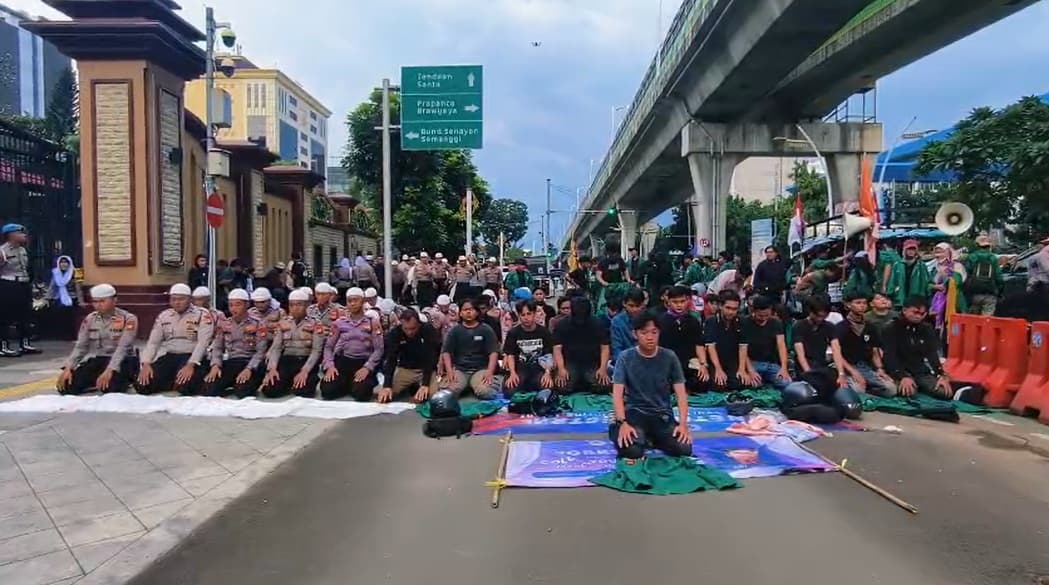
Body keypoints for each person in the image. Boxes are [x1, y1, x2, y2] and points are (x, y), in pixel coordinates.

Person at [609, 313, 693, 460]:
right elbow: (617, 394)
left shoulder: (670, 357)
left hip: (662, 415)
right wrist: (622, 423)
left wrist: (683, 424)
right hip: (634, 414)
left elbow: (681, 394)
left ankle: (653, 438)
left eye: (654, 332)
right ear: (635, 334)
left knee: (684, 449)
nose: (649, 337)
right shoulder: (625, 357)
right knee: (632, 451)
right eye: (644, 333)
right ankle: (617, 429)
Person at [57, 284, 138, 395]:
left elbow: (122, 348)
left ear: (114, 300)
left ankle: (125, 380)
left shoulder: (128, 319)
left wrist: (110, 370)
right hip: (100, 359)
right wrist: (69, 368)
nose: (98, 305)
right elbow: (81, 346)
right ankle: (95, 382)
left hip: (122, 360)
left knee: (110, 388)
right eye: (95, 301)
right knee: (66, 387)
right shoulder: (90, 319)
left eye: (102, 301)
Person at [135, 284, 215, 395]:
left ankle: (174, 382)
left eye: (181, 299)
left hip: (193, 357)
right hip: (170, 356)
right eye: (174, 299)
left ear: (190, 299)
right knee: (142, 385)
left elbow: (203, 343)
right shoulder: (164, 316)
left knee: (186, 386)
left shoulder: (202, 314)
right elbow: (153, 342)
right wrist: (146, 364)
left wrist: (190, 365)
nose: (177, 302)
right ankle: (172, 381)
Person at [202, 288, 269, 399]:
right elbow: (218, 348)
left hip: (251, 362)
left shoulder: (258, 324)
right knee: (208, 388)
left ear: (247, 305)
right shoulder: (225, 324)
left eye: (238, 305)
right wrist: (215, 365)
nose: (234, 308)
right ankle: (232, 382)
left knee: (243, 392)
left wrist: (249, 369)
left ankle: (240, 384)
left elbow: (261, 352)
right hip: (231, 361)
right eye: (231, 305)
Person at [881, 295, 952, 398]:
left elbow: (931, 354)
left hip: (919, 370)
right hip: (898, 370)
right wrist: (902, 376)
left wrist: (940, 375)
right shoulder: (891, 328)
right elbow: (889, 356)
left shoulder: (927, 329)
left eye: (922, 314)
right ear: (905, 310)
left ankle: (920, 385)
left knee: (944, 393)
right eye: (915, 312)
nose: (918, 316)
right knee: (909, 392)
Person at [320, 287, 384, 401]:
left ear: (363, 301)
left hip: (363, 361)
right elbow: (328, 347)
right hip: (344, 361)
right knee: (327, 391)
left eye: (356, 300)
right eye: (350, 301)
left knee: (361, 393)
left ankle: (354, 384)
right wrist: (330, 366)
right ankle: (347, 384)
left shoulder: (372, 322)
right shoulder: (339, 323)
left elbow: (379, 349)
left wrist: (367, 368)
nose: (353, 304)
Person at [261, 289, 326, 399]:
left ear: (307, 305)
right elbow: (276, 348)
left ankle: (301, 380)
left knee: (303, 392)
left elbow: (316, 351)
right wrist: (271, 369)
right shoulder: (283, 322)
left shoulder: (316, 323)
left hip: (305, 360)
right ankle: (287, 382)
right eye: (291, 305)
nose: (295, 308)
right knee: (269, 391)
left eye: (299, 305)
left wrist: (305, 371)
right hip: (287, 360)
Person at [836, 291, 897, 397]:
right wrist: (853, 372)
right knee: (858, 391)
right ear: (848, 305)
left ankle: (868, 387)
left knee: (891, 389)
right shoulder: (841, 327)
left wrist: (879, 369)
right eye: (858, 303)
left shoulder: (870, 326)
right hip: (847, 367)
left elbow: (875, 350)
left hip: (865, 366)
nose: (862, 306)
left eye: (864, 303)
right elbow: (837, 354)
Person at [439, 298, 502, 399]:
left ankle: (473, 385)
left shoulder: (486, 329)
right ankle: (465, 386)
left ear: (477, 312)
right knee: (446, 393)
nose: (468, 312)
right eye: (465, 310)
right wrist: (450, 371)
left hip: (481, 369)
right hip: (460, 369)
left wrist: (490, 372)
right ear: (460, 313)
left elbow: (493, 352)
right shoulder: (455, 330)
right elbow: (446, 352)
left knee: (486, 392)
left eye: (472, 309)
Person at [378, 308, 440, 403]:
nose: (409, 332)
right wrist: (387, 385)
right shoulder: (395, 333)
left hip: (426, 369)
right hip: (406, 370)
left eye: (413, 328)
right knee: (382, 394)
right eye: (406, 329)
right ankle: (411, 387)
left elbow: (430, 357)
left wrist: (425, 384)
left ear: (418, 324)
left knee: (434, 396)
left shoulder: (428, 330)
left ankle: (417, 387)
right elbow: (391, 359)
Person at [552, 296, 611, 394]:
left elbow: (605, 347)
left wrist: (603, 368)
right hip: (570, 362)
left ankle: (583, 382)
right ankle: (579, 382)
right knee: (562, 387)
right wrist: (561, 369)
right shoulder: (562, 324)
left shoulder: (597, 324)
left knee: (603, 386)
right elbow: (557, 348)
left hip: (592, 362)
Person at [657, 285, 709, 393]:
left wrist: (703, 365)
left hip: (689, 362)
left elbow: (699, 344)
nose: (679, 305)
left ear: (688, 301)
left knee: (703, 382)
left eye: (682, 301)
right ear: (668, 302)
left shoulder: (693, 321)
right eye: (675, 302)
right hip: (667, 363)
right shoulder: (660, 321)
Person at [791, 295, 847, 387]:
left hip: (822, 365)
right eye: (818, 316)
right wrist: (808, 374)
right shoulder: (799, 326)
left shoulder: (829, 326)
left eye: (824, 316)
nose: (820, 319)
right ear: (810, 312)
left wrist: (841, 374)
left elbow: (836, 349)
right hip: (804, 367)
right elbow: (800, 355)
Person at [0, 223, 38, 357]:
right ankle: (4, 346)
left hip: (23, 284)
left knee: (25, 315)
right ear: (11, 235)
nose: (24, 235)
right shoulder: (2, 251)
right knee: (6, 316)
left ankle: (25, 343)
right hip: (9, 284)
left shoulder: (23, 250)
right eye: (20, 233)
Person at [503, 300, 555, 394]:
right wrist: (512, 373)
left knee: (548, 389)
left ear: (534, 314)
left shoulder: (544, 332)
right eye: (523, 315)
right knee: (509, 391)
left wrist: (548, 373)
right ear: (519, 316)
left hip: (539, 368)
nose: (526, 318)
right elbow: (510, 355)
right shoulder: (513, 333)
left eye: (529, 314)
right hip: (520, 368)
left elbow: (548, 354)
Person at [740, 295, 791, 389]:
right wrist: (750, 370)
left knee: (786, 383)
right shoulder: (744, 323)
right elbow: (742, 349)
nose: (763, 318)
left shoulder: (776, 323)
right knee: (751, 384)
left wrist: (784, 368)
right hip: (752, 363)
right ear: (753, 311)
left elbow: (781, 345)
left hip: (771, 364)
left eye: (767, 315)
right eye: (760, 316)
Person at [704, 291, 746, 391]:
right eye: (728, 308)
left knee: (740, 383)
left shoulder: (742, 321)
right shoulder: (711, 321)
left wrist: (742, 369)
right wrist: (718, 369)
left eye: (734, 309)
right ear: (721, 306)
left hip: (732, 361)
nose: (731, 312)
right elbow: (711, 346)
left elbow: (743, 346)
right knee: (718, 385)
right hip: (715, 361)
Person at [930, 242, 967, 334]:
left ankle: (954, 343)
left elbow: (959, 282)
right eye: (937, 252)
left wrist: (947, 276)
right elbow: (927, 284)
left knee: (954, 327)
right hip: (937, 304)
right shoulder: (933, 267)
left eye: (942, 252)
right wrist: (935, 286)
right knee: (938, 328)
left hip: (955, 302)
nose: (939, 255)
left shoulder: (957, 266)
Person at [963, 235, 1003, 316]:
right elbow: (999, 278)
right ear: (989, 245)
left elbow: (965, 275)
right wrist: (999, 292)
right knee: (987, 321)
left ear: (977, 245)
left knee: (973, 320)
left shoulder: (971, 257)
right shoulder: (993, 258)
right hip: (990, 294)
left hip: (974, 294)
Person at [47, 255, 84, 340]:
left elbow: (79, 289)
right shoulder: (55, 272)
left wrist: (81, 301)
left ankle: (70, 335)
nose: (63, 264)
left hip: (72, 297)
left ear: (69, 263)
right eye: (61, 262)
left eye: (66, 262)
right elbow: (52, 287)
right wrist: (47, 298)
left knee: (69, 313)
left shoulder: (77, 272)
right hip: (59, 297)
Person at [610, 287, 648, 360]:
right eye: (631, 306)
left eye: (638, 306)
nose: (635, 309)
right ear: (624, 304)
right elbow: (617, 349)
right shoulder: (617, 322)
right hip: (625, 362)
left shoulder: (649, 320)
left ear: (643, 304)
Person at [897, 239, 930, 307]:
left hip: (916, 296)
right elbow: (893, 281)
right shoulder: (898, 264)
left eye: (913, 249)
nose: (911, 252)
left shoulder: (921, 265)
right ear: (905, 250)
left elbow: (925, 281)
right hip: (901, 295)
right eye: (909, 249)